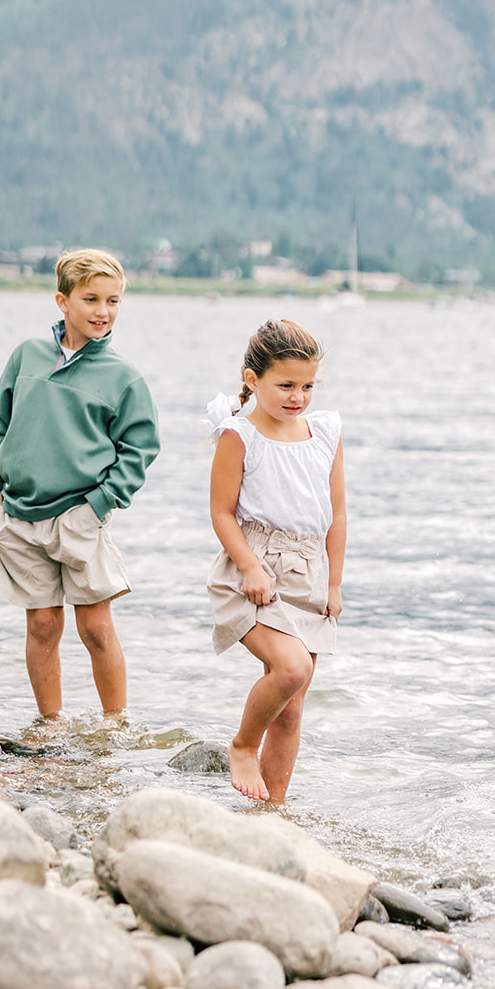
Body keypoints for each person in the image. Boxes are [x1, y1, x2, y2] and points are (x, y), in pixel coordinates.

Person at [0, 248, 160, 721]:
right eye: (91, 299)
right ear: (63, 301)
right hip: (20, 513)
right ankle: (50, 727)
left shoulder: (123, 377)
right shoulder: (27, 356)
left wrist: (100, 503)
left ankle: (116, 726)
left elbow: (140, 450)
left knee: (96, 627)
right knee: (42, 625)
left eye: (114, 301)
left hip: (81, 515)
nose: (103, 311)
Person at [207, 319, 346, 804]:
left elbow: (338, 512)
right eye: (285, 385)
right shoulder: (239, 436)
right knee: (290, 670)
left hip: (311, 570)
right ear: (252, 379)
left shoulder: (325, 431)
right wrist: (249, 567)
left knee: (291, 705)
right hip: (256, 565)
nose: (298, 396)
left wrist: (334, 585)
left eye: (307, 385)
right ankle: (243, 745)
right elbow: (221, 513)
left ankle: (271, 811)